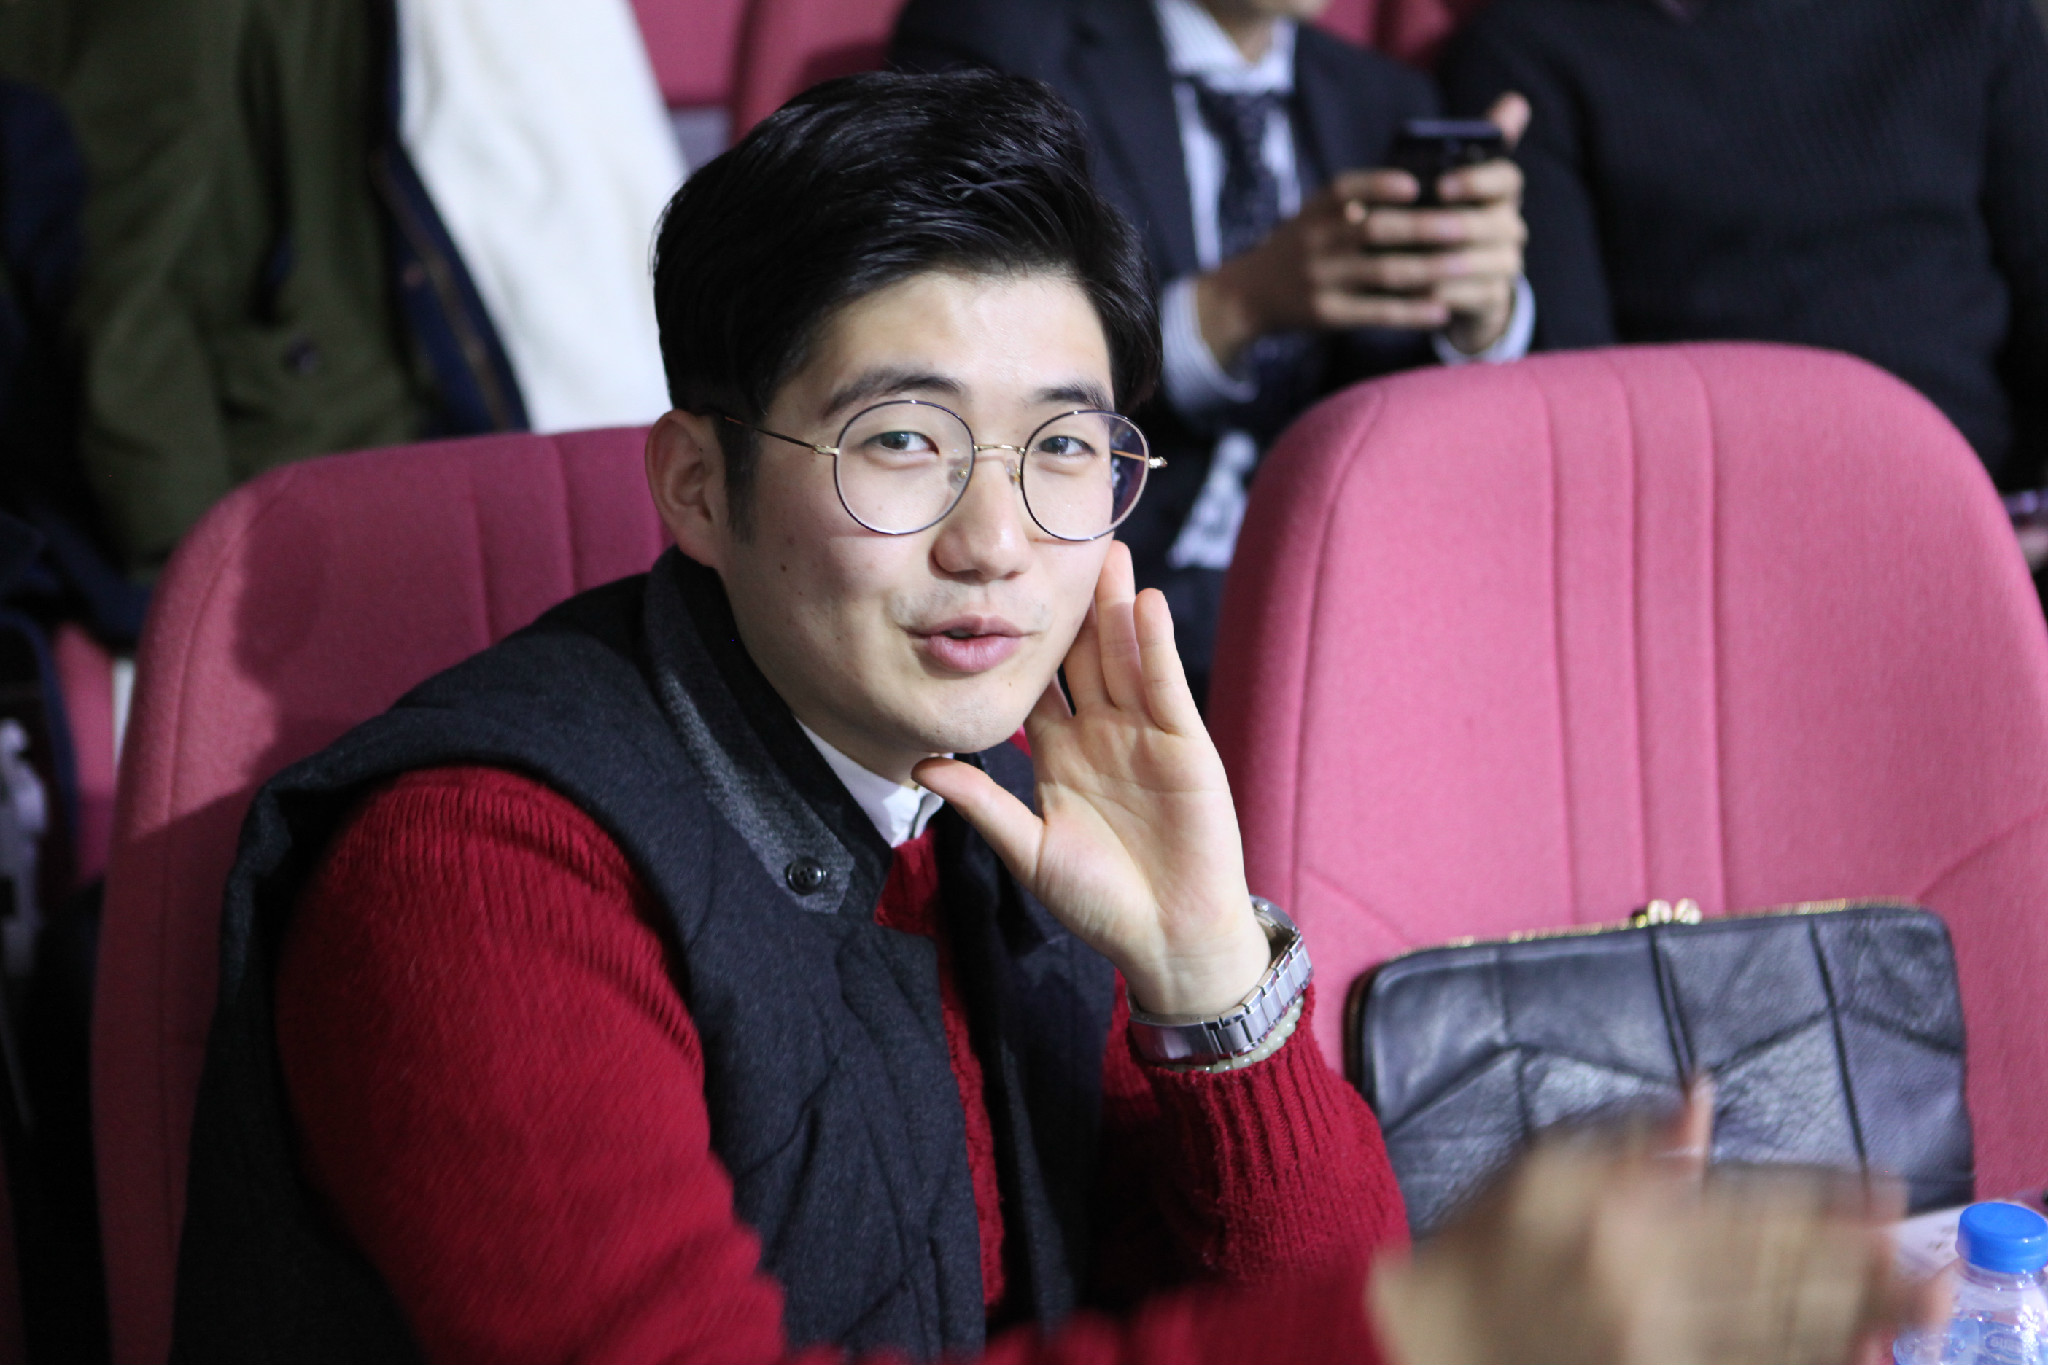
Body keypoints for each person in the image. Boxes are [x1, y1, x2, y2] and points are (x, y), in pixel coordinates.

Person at [171, 71, 1929, 1365]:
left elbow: (1299, 1284)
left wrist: (1210, 978)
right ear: (697, 485)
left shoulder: (1007, 797)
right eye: (903, 442)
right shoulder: (479, 869)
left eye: (1064, 449)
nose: (997, 541)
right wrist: (1430, 1329)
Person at [891, 0, 1535, 700]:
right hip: (1108, 577)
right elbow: (958, 341)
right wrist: (1234, 307)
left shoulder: (1385, 96)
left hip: (1343, 589)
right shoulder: (1002, 45)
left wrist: (1476, 324)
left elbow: (1396, 405)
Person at [1440, 0, 2048, 492]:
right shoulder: (1528, 50)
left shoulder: (1969, 17)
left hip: (1990, 499)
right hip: (1717, 524)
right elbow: (1575, 383)